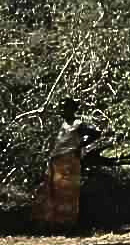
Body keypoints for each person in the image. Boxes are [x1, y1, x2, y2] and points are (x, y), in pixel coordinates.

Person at [29, 99, 99, 233]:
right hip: (57, 161)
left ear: (72, 109)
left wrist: (80, 146)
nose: (61, 111)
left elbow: (96, 133)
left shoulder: (78, 124)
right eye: (60, 108)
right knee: (54, 192)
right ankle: (53, 224)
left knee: (67, 193)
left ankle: (67, 225)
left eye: (64, 108)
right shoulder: (64, 124)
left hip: (69, 162)